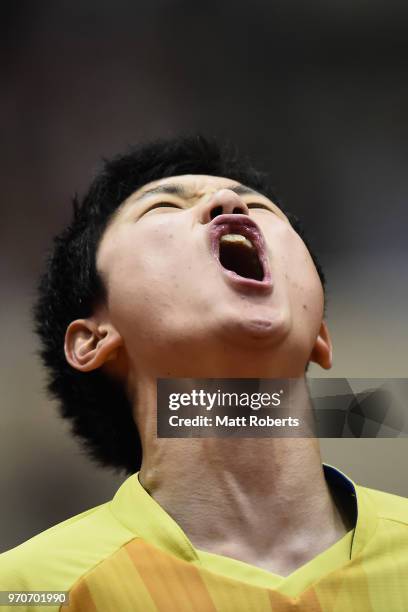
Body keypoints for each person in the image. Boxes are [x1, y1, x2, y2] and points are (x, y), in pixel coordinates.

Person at [0, 135, 407, 611]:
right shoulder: (30, 590)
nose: (227, 201)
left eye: (262, 209)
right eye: (162, 208)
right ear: (93, 339)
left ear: (320, 333)